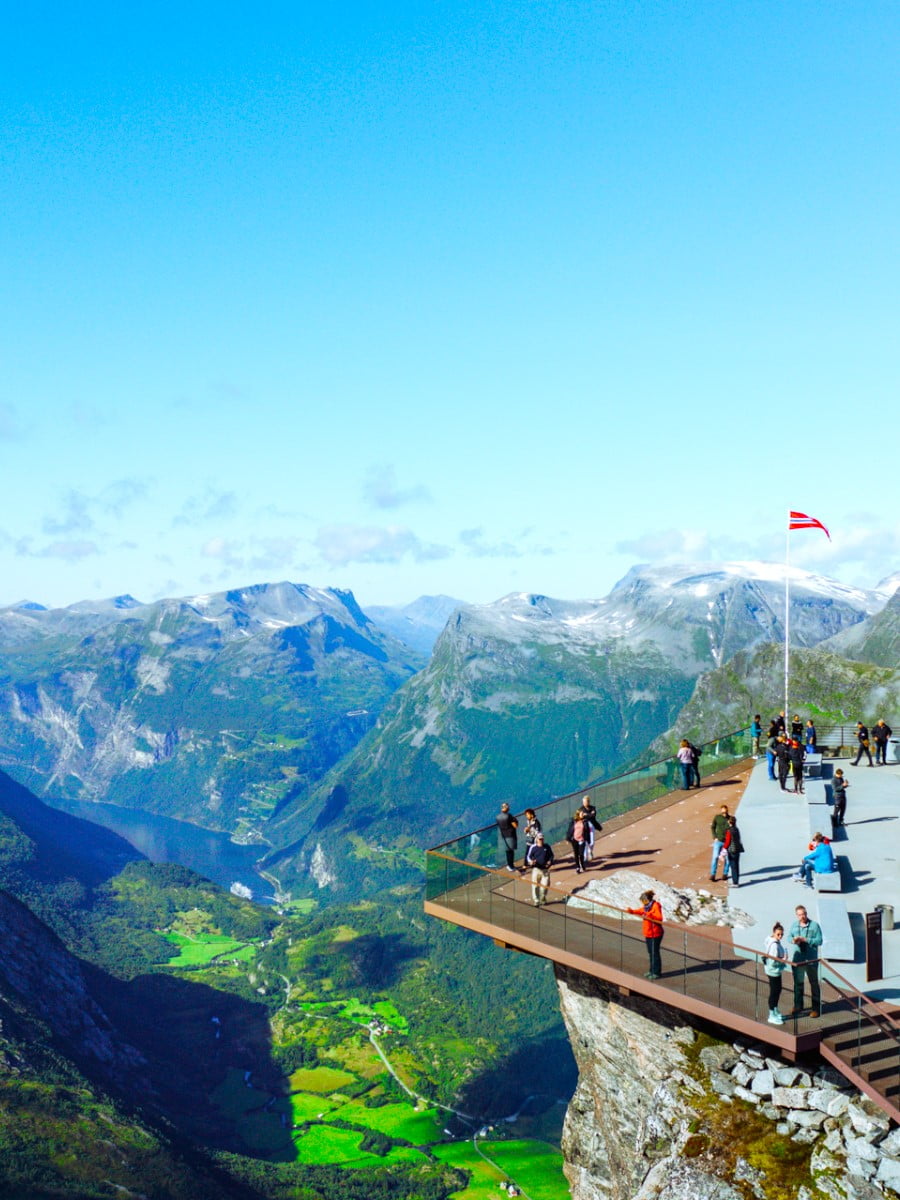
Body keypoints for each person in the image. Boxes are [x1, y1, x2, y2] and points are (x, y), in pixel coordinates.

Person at [789, 904, 823, 1017]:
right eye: (799, 915)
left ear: (806, 913)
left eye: (803, 914)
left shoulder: (815, 926)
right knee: (798, 983)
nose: (802, 916)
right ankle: (798, 1006)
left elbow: (819, 940)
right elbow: (789, 937)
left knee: (814, 984)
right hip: (798, 960)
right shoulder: (794, 925)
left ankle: (816, 1009)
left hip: (811, 960)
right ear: (796, 915)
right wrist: (793, 940)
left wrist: (806, 940)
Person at [627, 889, 664, 979]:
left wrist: (649, 915)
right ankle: (651, 971)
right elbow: (641, 911)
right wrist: (632, 911)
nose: (642, 903)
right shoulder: (647, 906)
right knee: (651, 953)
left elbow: (659, 918)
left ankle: (656, 972)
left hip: (655, 933)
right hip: (648, 933)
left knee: (654, 953)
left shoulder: (655, 906)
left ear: (647, 900)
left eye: (643, 901)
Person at [763, 922, 789, 1025]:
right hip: (773, 971)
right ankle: (771, 1015)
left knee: (777, 990)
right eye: (778, 934)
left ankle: (775, 1010)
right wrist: (783, 960)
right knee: (774, 992)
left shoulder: (770, 939)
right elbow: (773, 961)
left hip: (772, 971)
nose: (780, 936)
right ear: (774, 933)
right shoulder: (774, 946)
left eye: (782, 934)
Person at [524, 833, 554, 906]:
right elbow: (528, 857)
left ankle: (542, 899)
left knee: (545, 886)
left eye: (542, 839)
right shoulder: (533, 847)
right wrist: (531, 862)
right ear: (537, 839)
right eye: (540, 839)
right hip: (536, 869)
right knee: (535, 886)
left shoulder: (547, 846)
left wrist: (550, 861)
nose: (541, 840)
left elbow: (551, 855)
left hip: (545, 870)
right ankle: (536, 900)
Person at [578, 794, 603, 863]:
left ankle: (590, 851)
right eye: (583, 802)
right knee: (585, 842)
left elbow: (593, 815)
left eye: (585, 802)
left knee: (592, 842)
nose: (584, 803)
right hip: (584, 827)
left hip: (591, 826)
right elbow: (580, 817)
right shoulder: (581, 809)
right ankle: (585, 857)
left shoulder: (592, 808)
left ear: (588, 802)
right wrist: (589, 815)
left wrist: (586, 815)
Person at [710, 804, 730, 882]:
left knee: (728, 859)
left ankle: (725, 874)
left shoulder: (730, 819)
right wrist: (714, 837)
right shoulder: (717, 817)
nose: (724, 813)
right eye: (723, 812)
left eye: (725, 812)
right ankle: (713, 874)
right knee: (715, 857)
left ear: (727, 811)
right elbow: (712, 827)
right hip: (718, 841)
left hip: (727, 842)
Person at [496, 803, 519, 872]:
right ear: (506, 808)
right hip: (510, 835)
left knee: (507, 851)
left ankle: (509, 865)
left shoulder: (498, 817)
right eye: (508, 807)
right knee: (511, 852)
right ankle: (511, 866)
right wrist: (515, 820)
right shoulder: (509, 816)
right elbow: (515, 826)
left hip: (503, 836)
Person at [723, 814, 744, 887]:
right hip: (738, 849)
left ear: (730, 822)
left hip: (732, 850)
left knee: (733, 866)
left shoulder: (729, 831)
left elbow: (727, 841)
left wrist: (724, 849)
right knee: (736, 865)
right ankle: (736, 881)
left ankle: (735, 883)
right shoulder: (736, 829)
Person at [566, 810, 588, 874]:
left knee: (581, 854)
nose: (583, 814)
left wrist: (587, 839)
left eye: (583, 813)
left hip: (582, 840)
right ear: (578, 814)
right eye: (582, 813)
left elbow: (587, 831)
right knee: (576, 854)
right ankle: (578, 867)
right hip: (574, 839)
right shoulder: (574, 821)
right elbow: (570, 830)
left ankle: (582, 865)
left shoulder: (585, 821)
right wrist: (568, 838)